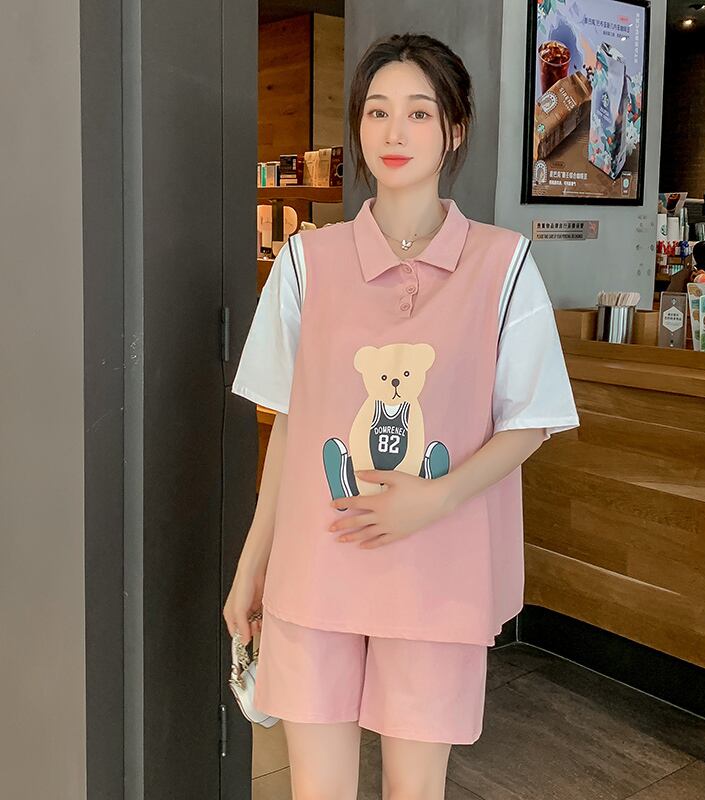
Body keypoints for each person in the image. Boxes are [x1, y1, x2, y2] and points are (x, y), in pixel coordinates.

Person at [223, 31, 579, 800]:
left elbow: (532, 418)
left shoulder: (503, 264)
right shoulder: (305, 263)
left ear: (455, 128)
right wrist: (251, 565)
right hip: (314, 572)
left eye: (419, 112)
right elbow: (290, 428)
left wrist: (436, 497)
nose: (394, 131)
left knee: (414, 791)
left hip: (436, 576)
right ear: (357, 126)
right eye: (377, 111)